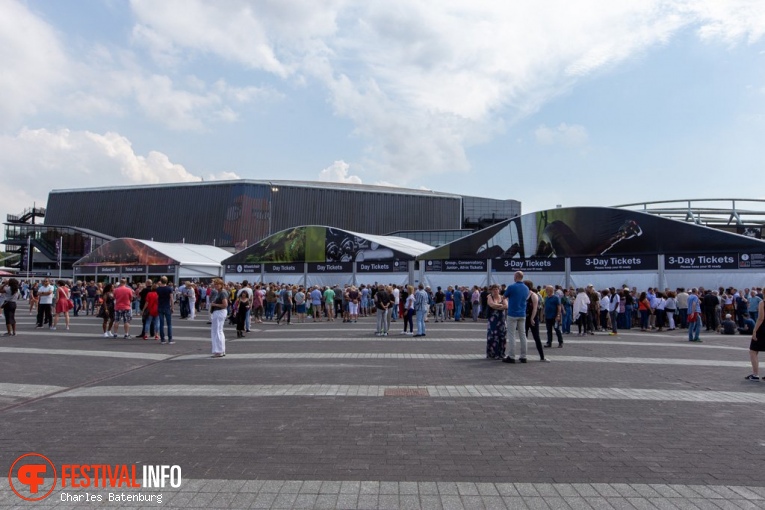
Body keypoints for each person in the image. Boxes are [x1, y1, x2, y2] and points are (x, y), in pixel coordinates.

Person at [502, 271, 529, 363]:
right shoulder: (526, 288)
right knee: (523, 335)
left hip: (512, 313)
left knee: (512, 334)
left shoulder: (511, 287)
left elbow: (504, 297)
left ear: (516, 277)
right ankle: (523, 356)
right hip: (522, 313)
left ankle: (512, 356)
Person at [524, 280, 545, 361]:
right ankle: (523, 356)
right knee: (524, 337)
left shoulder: (533, 295)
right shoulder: (523, 294)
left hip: (532, 318)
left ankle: (542, 356)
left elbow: (535, 308)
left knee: (536, 337)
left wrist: (532, 318)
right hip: (524, 318)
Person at [485, 284, 507, 359]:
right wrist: (501, 306)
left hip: (501, 320)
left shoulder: (503, 297)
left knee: (502, 336)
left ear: (499, 290)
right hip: (493, 320)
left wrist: (496, 306)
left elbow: (506, 306)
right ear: (491, 290)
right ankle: (492, 354)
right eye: (493, 289)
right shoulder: (489, 297)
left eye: (497, 289)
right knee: (492, 336)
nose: (495, 290)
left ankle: (501, 353)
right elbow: (491, 305)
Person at [746, 298, 765, 380]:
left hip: (762, 329)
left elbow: (761, 318)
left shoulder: (762, 303)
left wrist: (754, 330)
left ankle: (755, 374)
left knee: (753, 351)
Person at [209, 279, 228, 357]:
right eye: (215, 284)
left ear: (221, 284)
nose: (216, 285)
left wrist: (215, 305)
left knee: (217, 331)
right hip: (219, 312)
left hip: (219, 312)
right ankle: (221, 350)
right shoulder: (219, 292)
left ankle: (218, 351)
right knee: (219, 331)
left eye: (218, 284)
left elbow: (225, 304)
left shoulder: (222, 293)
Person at [155, 276, 174, 344]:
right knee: (169, 324)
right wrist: (172, 307)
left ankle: (162, 339)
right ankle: (170, 339)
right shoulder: (169, 289)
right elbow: (171, 299)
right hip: (167, 307)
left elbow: (156, 298)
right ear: (167, 281)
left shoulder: (158, 289)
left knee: (161, 324)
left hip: (160, 306)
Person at [543, 285, 563, 350]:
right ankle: (549, 342)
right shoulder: (546, 298)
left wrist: (558, 315)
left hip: (554, 317)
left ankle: (560, 342)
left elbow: (559, 307)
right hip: (548, 317)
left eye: (547, 290)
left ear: (551, 290)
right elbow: (545, 306)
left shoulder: (556, 298)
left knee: (557, 330)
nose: (546, 291)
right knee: (549, 330)